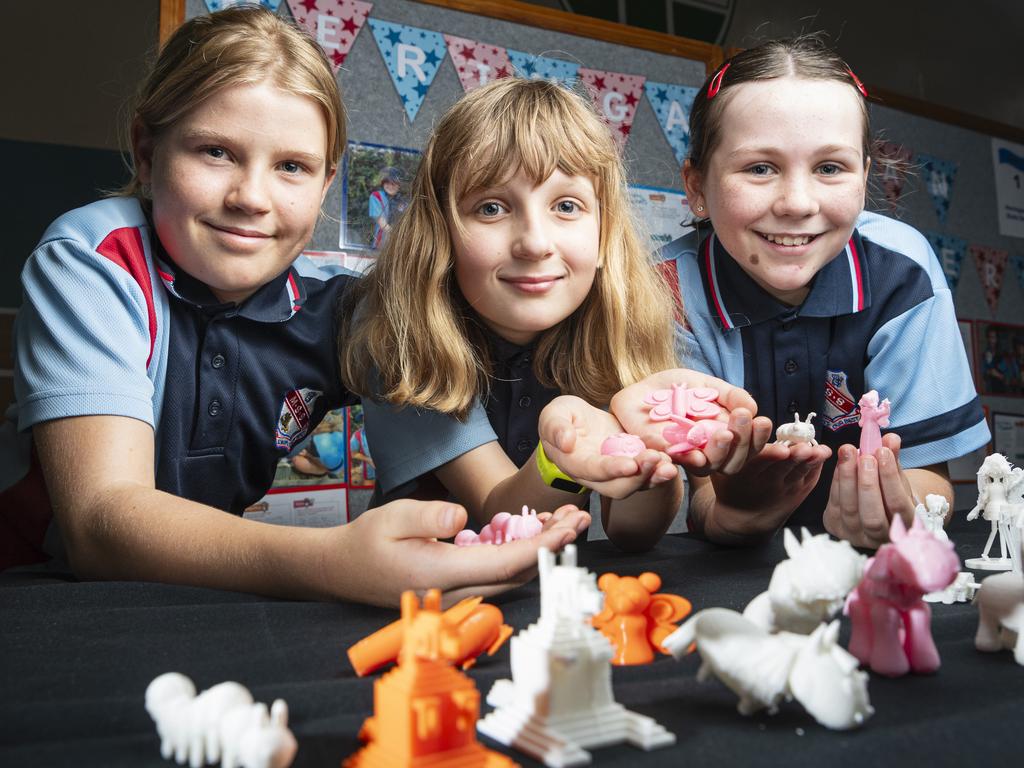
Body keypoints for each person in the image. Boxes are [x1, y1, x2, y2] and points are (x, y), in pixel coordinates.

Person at [0, 7, 589, 607]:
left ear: (327, 182)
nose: (251, 198)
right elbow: (101, 525)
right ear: (148, 154)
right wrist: (333, 560)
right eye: (216, 152)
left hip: (197, 596)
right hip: (37, 588)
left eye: (291, 167)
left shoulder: (344, 309)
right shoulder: (93, 259)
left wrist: (576, 453)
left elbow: (497, 492)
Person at [341, 78, 765, 553]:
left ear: (603, 237)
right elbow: (498, 510)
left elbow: (631, 531)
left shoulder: (617, 334)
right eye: (492, 207)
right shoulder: (402, 333)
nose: (535, 242)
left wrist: (650, 461)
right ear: (442, 232)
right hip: (420, 603)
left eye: (566, 205)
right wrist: (563, 458)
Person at [651, 37, 989, 549]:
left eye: (830, 167)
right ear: (697, 186)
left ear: (865, 176)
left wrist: (900, 515)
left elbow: (928, 476)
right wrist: (734, 514)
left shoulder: (904, 271)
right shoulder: (666, 290)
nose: (796, 203)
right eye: (760, 168)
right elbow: (705, 493)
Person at [368, 166, 402, 249]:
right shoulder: (376, 196)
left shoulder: (404, 201)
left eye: (394, 183)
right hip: (381, 245)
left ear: (399, 185)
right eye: (387, 183)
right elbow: (381, 222)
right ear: (383, 183)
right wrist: (398, 237)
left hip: (399, 246)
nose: (390, 186)